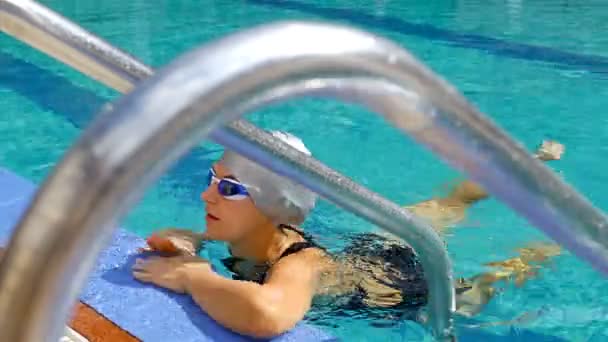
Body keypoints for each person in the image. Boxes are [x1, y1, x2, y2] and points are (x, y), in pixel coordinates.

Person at [132, 131, 564, 337]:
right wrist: (186, 242)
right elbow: (170, 239)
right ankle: (527, 165)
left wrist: (195, 277)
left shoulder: (300, 264)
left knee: (500, 277)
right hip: (367, 255)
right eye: (212, 178)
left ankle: (556, 241)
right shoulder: (249, 231)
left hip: (400, 291)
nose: (207, 193)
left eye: (228, 188)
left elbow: (269, 315)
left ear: (270, 206)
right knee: (446, 204)